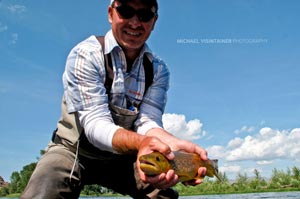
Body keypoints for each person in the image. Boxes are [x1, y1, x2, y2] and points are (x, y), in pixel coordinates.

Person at [21, 0, 208, 198]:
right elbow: (95, 124)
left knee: (164, 195)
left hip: (121, 159)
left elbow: (148, 122)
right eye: (126, 11)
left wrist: (173, 145)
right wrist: (143, 143)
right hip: (72, 151)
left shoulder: (158, 71)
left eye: (144, 15)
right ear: (111, 13)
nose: (135, 23)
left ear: (154, 22)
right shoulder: (86, 54)